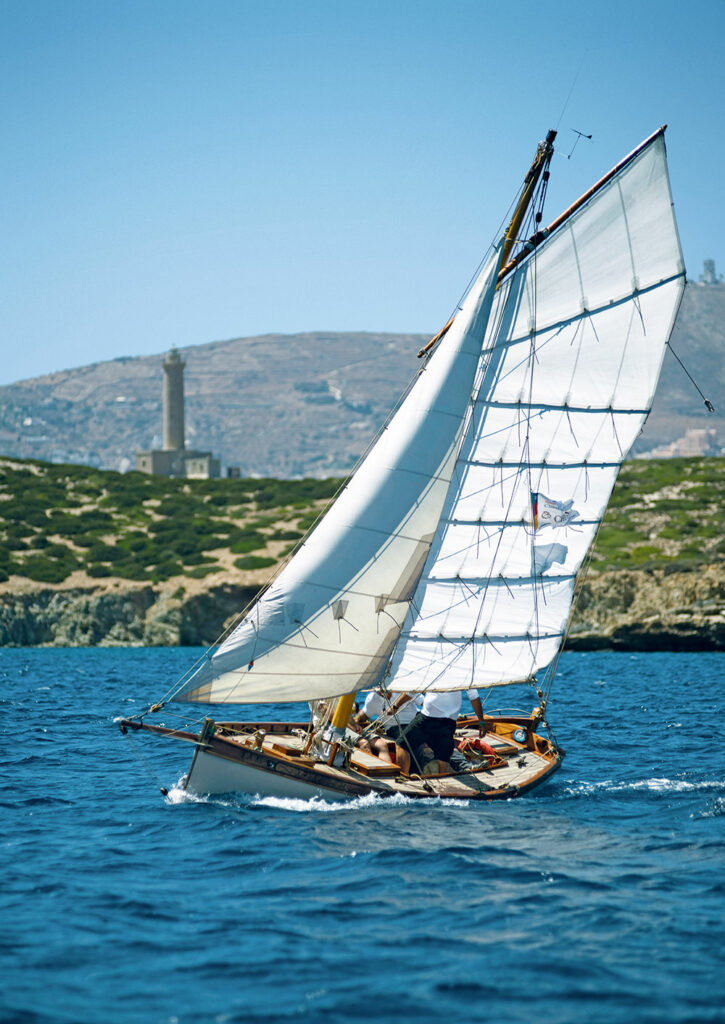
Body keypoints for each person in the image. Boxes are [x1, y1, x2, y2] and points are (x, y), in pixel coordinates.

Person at [391, 689, 484, 775]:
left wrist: (395, 706)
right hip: (449, 721)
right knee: (443, 757)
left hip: (428, 718)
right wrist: (481, 721)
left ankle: (404, 778)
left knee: (402, 743)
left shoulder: (432, 670)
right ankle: (443, 786)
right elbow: (474, 696)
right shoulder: (464, 672)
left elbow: (412, 692)